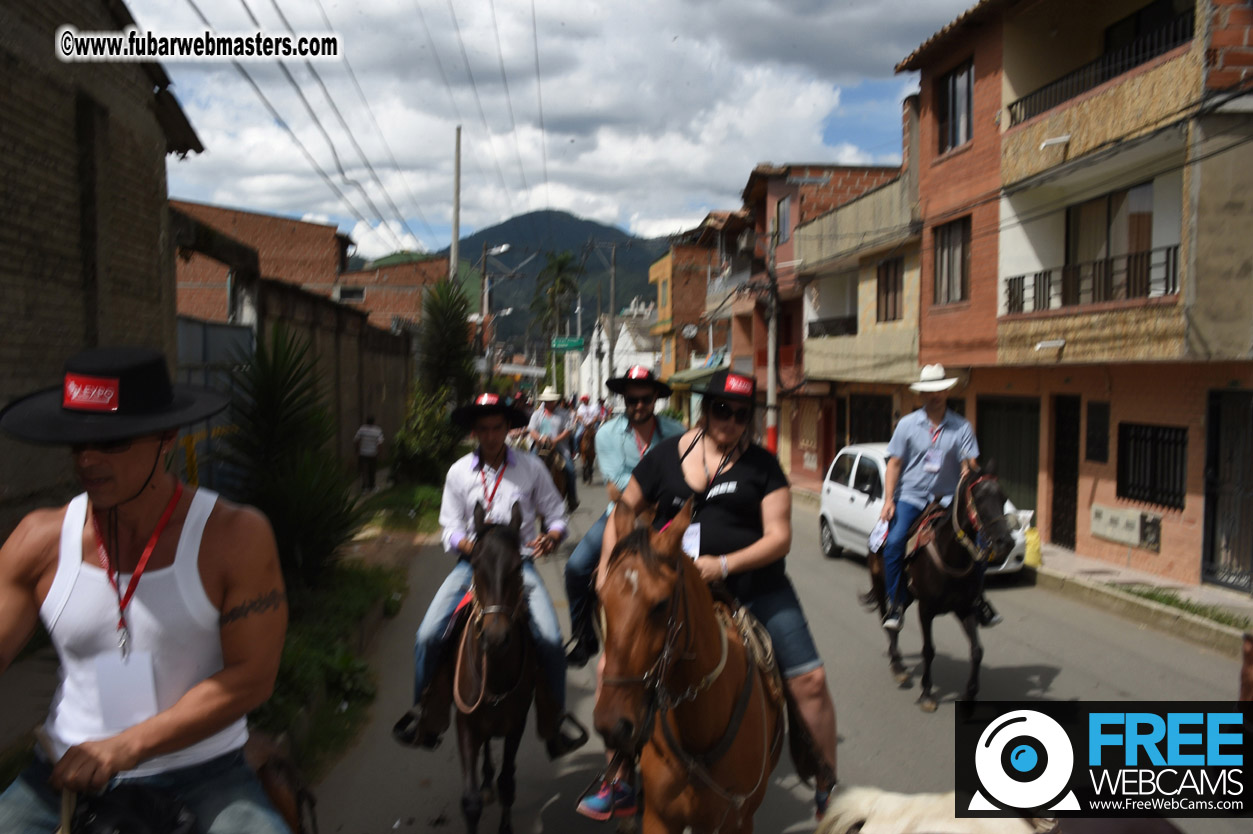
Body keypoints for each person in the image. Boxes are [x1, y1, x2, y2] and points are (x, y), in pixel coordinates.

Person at [0, 347, 290, 833]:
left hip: (202, 773)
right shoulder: (38, 541)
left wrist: (126, 746)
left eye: (111, 441)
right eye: (76, 442)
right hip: (61, 774)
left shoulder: (234, 537)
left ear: (167, 436)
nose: (87, 459)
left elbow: (253, 677)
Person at [591, 370, 838, 820]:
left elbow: (779, 537)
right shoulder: (665, 457)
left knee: (811, 680)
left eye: (742, 414)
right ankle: (619, 777)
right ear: (705, 411)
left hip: (755, 586)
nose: (731, 421)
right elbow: (624, 509)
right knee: (615, 666)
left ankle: (825, 783)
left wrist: (723, 565)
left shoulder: (763, 466)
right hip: (675, 591)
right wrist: (608, 565)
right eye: (722, 410)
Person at [394, 393, 587, 759]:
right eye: (483, 429)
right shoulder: (458, 473)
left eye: (497, 428)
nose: (491, 435)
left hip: (518, 568)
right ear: (474, 432)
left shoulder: (531, 467)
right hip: (472, 567)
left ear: (508, 428)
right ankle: (424, 712)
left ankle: (555, 721)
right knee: (428, 634)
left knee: (550, 639)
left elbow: (557, 514)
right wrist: (470, 547)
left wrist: (553, 535)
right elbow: (449, 528)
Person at [564, 366, 684, 668]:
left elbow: (684, 477)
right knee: (576, 568)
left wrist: (654, 493)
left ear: (655, 397)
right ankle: (584, 636)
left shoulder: (677, 433)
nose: (639, 405)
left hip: (667, 517)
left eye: (645, 399)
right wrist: (661, 488)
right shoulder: (606, 434)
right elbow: (617, 487)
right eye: (632, 400)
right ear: (624, 400)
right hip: (621, 516)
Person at [878, 364, 1000, 632]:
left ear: (946, 391)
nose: (935, 395)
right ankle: (895, 603)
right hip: (911, 496)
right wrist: (889, 500)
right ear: (922, 394)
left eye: (939, 390)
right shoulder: (907, 425)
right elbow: (894, 464)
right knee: (895, 542)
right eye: (929, 391)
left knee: (981, 543)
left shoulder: (961, 426)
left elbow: (970, 464)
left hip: (948, 499)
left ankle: (978, 600)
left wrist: (971, 479)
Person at [528, 386, 578, 510]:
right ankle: (527, 500)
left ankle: (572, 498)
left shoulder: (563, 413)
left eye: (551, 400)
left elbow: (568, 430)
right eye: (546, 400)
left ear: (555, 401)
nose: (548, 403)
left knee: (570, 469)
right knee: (528, 468)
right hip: (541, 447)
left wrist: (555, 440)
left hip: (559, 448)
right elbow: (532, 430)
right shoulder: (537, 414)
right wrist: (541, 438)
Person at [353, 414, 385, 491]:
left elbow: (356, 440)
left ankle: (365, 487)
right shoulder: (377, 430)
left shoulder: (362, 429)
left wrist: (357, 450)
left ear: (366, 421)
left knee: (364, 470)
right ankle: (372, 486)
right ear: (374, 422)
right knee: (372, 470)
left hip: (363, 453)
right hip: (373, 454)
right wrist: (380, 453)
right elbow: (380, 443)